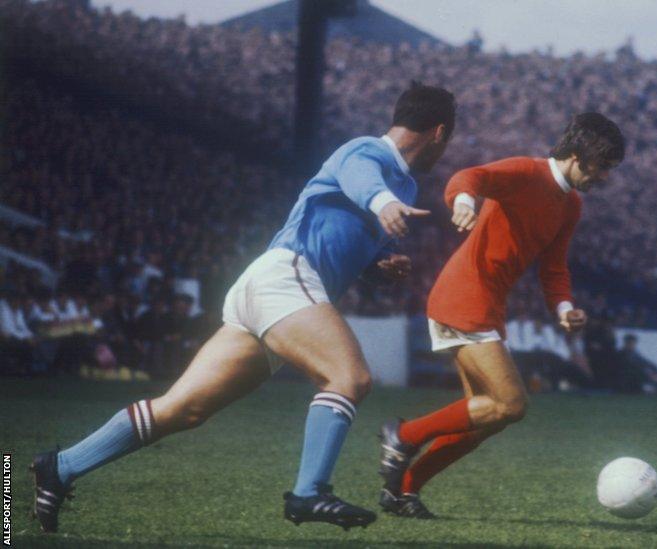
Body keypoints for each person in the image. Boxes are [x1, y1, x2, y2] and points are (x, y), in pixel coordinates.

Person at [30, 82, 456, 533]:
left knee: (182, 409)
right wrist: (383, 202)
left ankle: (60, 466)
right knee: (349, 377)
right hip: (285, 276)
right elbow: (362, 182)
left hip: (272, 291)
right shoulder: (366, 152)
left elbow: (346, 231)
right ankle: (309, 493)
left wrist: (377, 265)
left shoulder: (405, 184)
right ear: (439, 132)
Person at [377, 112, 625, 518]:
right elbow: (468, 177)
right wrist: (463, 202)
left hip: (487, 305)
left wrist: (564, 308)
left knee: (487, 421)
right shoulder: (526, 172)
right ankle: (402, 435)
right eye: (603, 167)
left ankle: (403, 490)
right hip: (463, 298)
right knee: (511, 404)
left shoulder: (571, 205)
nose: (605, 178)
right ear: (578, 156)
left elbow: (554, 268)